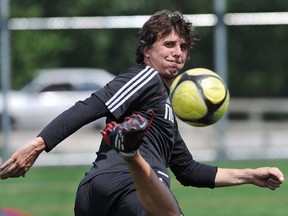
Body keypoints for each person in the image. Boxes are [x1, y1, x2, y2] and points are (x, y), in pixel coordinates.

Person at [0, 10, 284, 216]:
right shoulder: (146, 78)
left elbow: (188, 171)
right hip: (128, 188)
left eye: (183, 47)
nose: (178, 53)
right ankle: (129, 153)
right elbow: (92, 105)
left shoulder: (166, 105)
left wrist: (250, 175)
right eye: (169, 44)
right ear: (147, 51)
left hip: (95, 193)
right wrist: (38, 144)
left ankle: (128, 150)